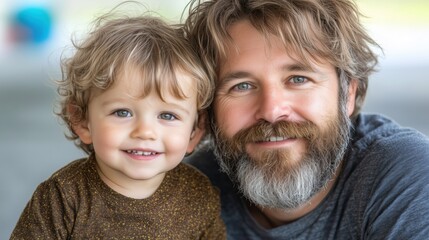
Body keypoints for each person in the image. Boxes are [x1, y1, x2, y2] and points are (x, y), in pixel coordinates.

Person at [183, 0, 429, 239]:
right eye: (242, 86)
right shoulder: (189, 190)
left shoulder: (402, 174)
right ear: (207, 107)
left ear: (348, 94)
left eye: (298, 79)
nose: (271, 111)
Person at [11, 12, 226, 239]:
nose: (145, 131)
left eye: (168, 116)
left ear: (195, 130)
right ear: (82, 121)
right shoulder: (62, 196)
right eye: (122, 112)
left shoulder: (199, 195)